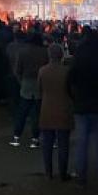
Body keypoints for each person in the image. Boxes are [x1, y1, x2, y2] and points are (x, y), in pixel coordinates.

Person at [67, 29, 98, 193]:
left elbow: (69, 81)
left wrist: (74, 99)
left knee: (82, 143)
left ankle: (81, 178)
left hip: (82, 106)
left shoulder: (79, 60)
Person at [38, 43, 73, 181]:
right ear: (61, 55)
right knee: (63, 144)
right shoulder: (67, 71)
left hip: (46, 109)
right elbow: (71, 91)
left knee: (47, 144)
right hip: (64, 109)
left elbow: (40, 89)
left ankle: (48, 173)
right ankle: (63, 173)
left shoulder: (42, 71)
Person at [11, 32, 47, 148]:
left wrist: (21, 82)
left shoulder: (22, 52)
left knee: (22, 111)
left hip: (26, 83)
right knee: (36, 113)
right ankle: (35, 139)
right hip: (40, 84)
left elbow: (17, 70)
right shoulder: (44, 52)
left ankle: (16, 137)